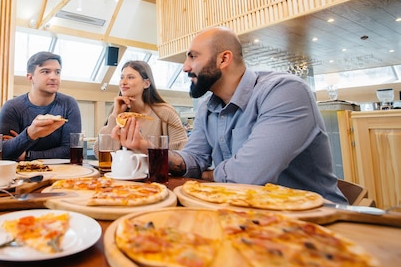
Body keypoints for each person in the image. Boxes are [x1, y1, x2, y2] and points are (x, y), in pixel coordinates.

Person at [117, 27, 347, 203]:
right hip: (245, 214)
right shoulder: (208, 107)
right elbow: (193, 159)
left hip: (318, 224)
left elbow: (248, 175)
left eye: (193, 57)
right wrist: (147, 148)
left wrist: (208, 176)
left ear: (223, 59)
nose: (185, 67)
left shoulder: (285, 91)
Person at [0, 51, 81, 161]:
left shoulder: (69, 104)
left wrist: (26, 154)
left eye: (57, 72)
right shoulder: (12, 107)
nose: (54, 77)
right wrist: (29, 134)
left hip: (61, 173)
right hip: (19, 175)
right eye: (45, 72)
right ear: (30, 77)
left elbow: (71, 151)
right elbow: (0, 151)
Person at [97, 60, 187, 154]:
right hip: (123, 169)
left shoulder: (166, 113)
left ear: (146, 83)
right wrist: (115, 115)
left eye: (130, 77)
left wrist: (146, 148)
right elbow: (100, 153)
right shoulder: (118, 112)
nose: (123, 82)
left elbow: (182, 155)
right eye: (121, 77)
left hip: (155, 168)